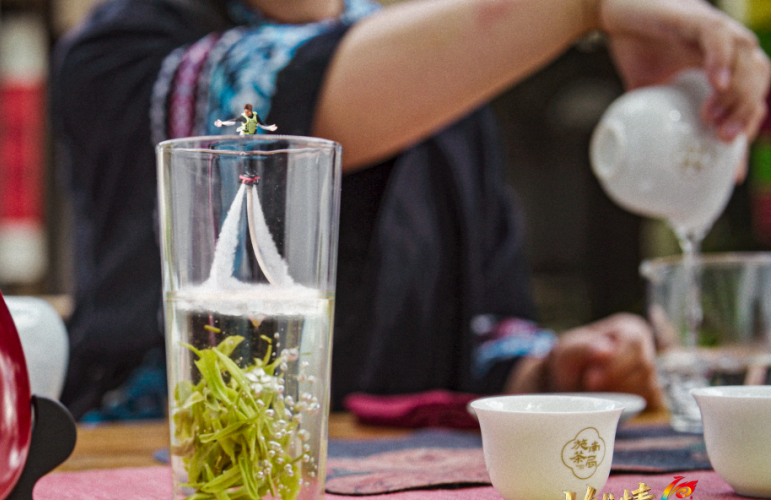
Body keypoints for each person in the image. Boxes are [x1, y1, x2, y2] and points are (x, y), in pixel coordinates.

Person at [53, 0, 770, 420]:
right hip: (161, 494)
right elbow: (291, 105)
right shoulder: (120, 53)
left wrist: (554, 373)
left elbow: (483, 332)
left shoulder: (444, 74)